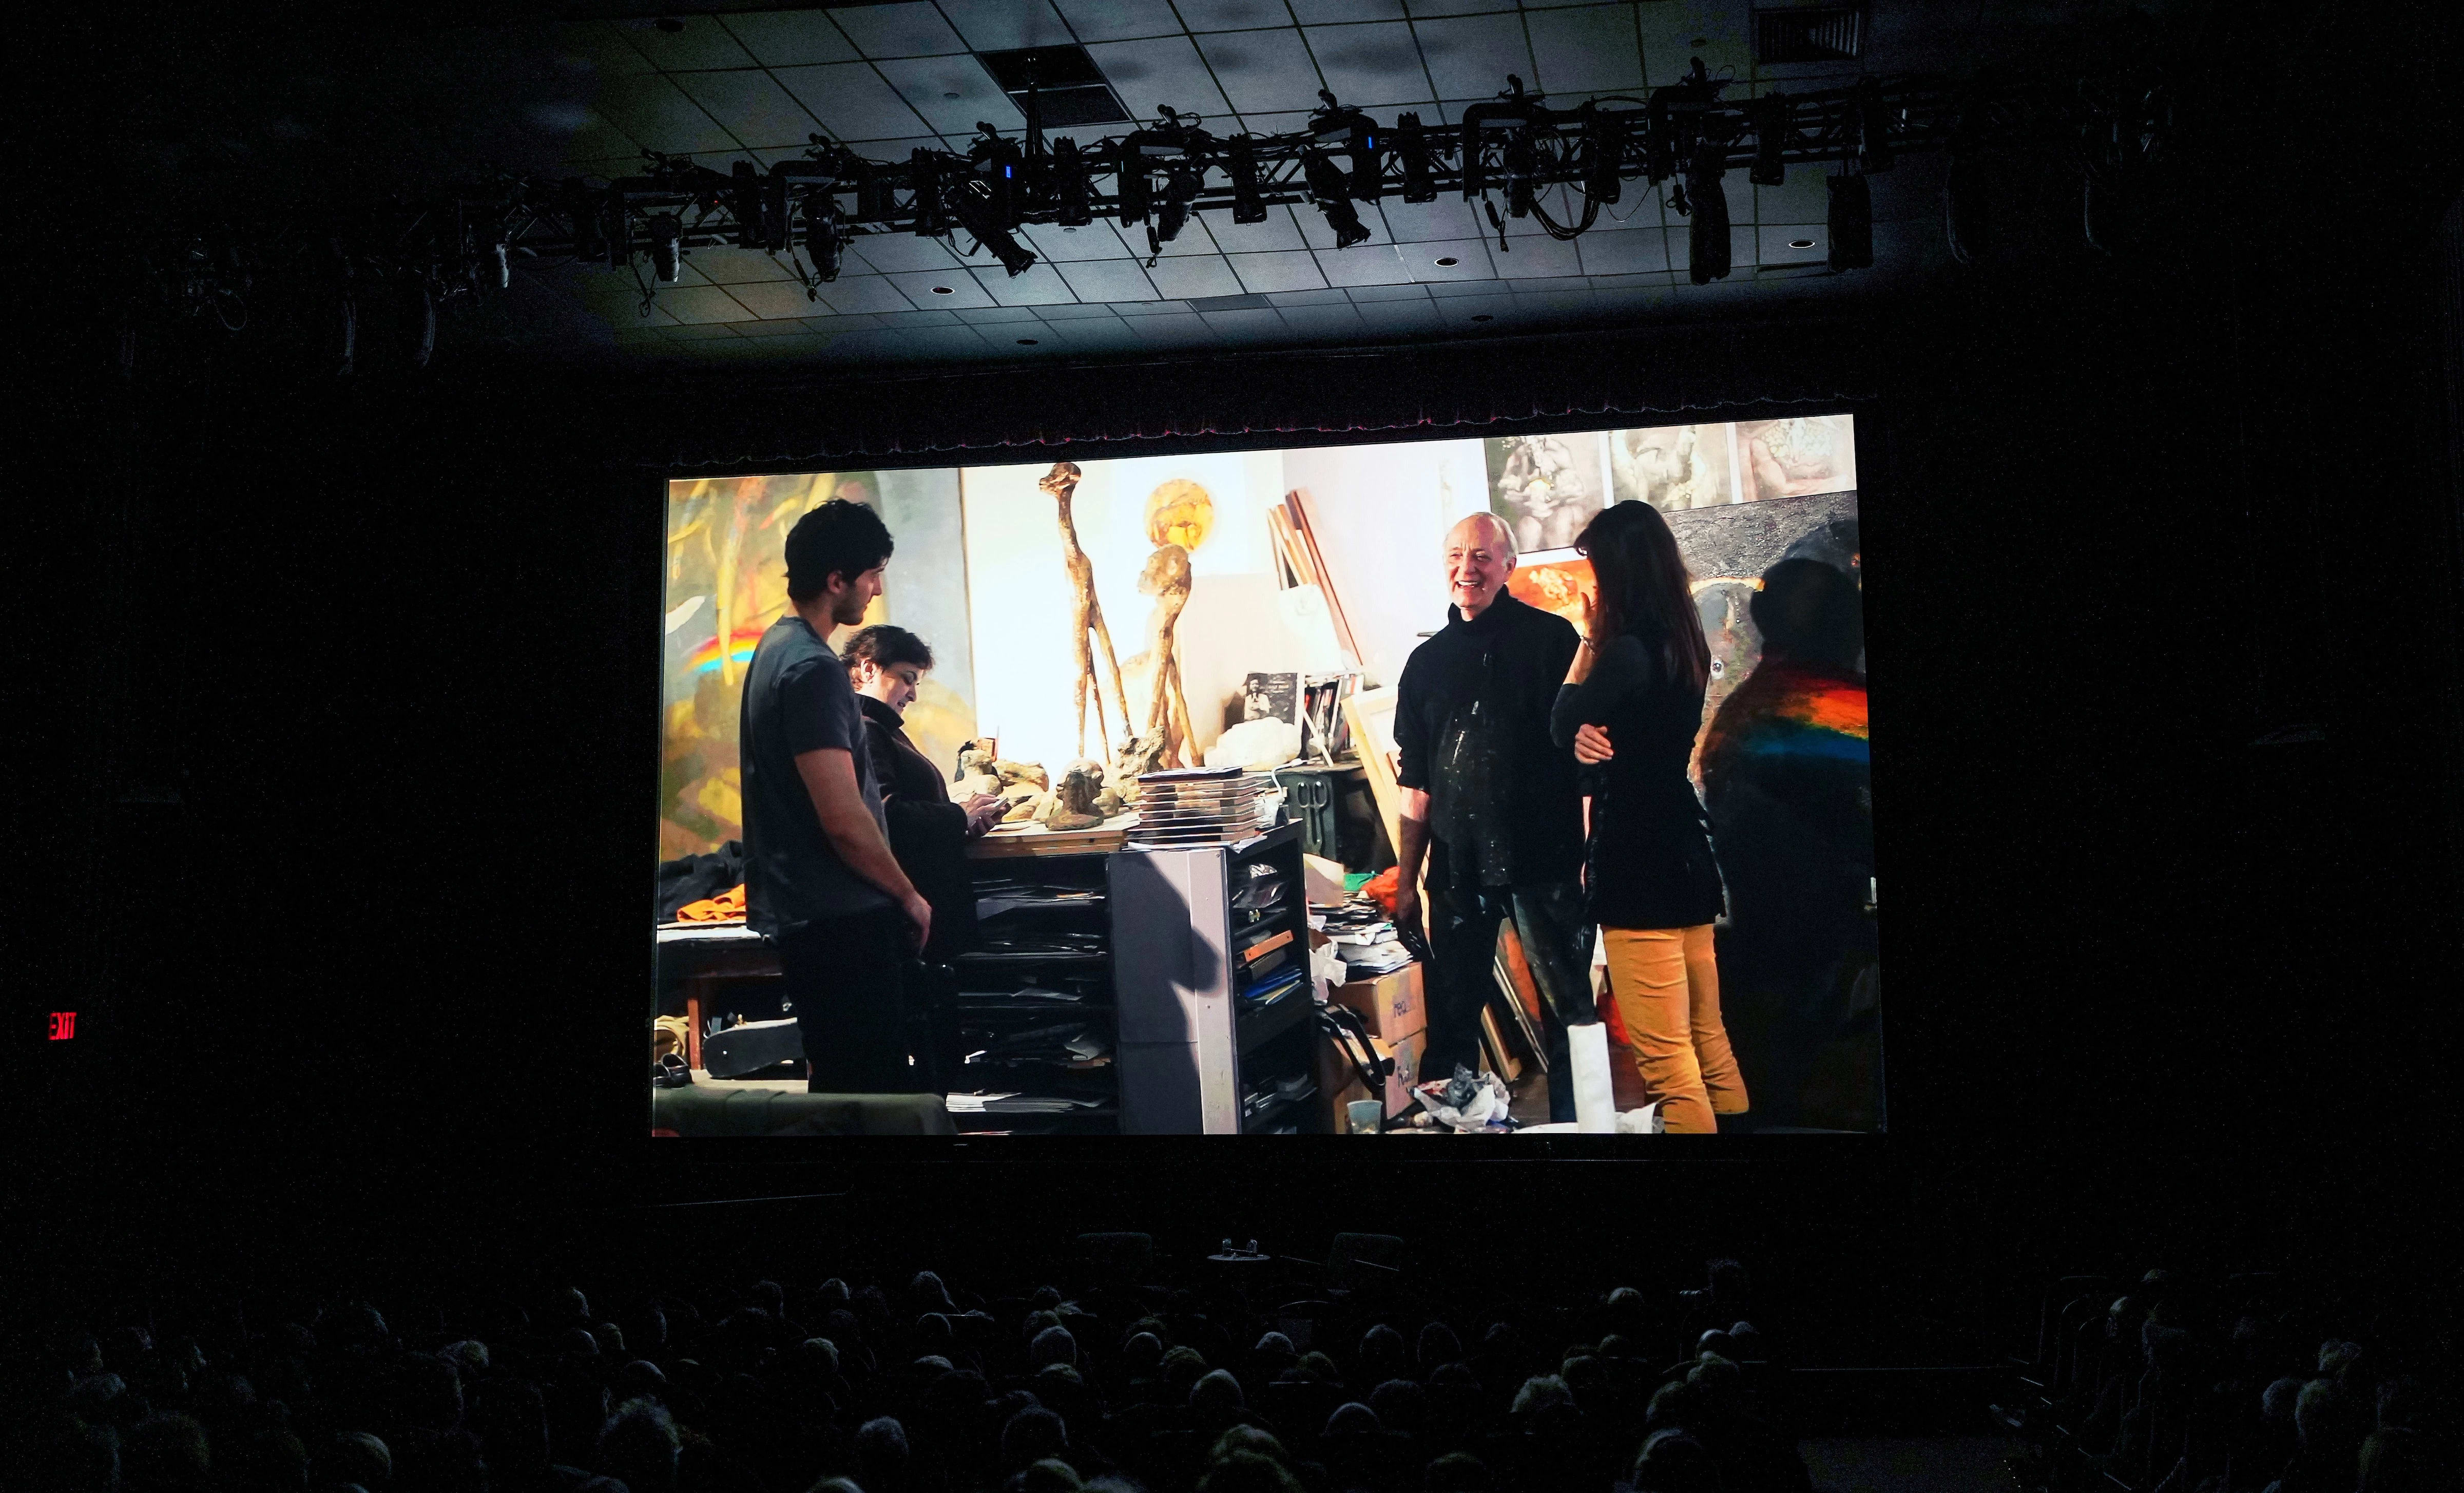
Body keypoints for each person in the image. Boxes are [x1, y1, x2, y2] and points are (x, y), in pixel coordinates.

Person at [1553, 501, 1748, 1134]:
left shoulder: (1628, 651)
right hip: (1683, 849)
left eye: (1601, 572)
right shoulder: (1681, 641)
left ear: (1622, 573)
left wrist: (1587, 642)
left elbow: (1561, 719)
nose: (1596, 587)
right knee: (1708, 1040)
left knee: (1668, 1064)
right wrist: (1589, 727)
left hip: (1638, 860)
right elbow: (1593, 729)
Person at [1392, 512, 1592, 1119]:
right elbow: (1416, 784)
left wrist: (1592, 854)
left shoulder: (1553, 641)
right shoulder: (1425, 664)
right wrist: (1406, 883)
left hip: (1547, 865)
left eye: (1481, 556)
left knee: (1569, 1020)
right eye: (1456, 554)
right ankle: (1453, 1131)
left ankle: (1582, 1136)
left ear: (1509, 565)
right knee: (1452, 1024)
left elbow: (1586, 763)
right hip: (1457, 873)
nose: (1467, 568)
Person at [739, 498, 934, 1094]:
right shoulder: (811, 668)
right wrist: (909, 895)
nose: (876, 587)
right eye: (873, 572)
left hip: (815, 918)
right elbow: (843, 816)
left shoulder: (778, 649)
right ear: (836, 580)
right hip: (838, 923)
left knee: (847, 1089)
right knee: (867, 1097)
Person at [844, 624, 1006, 964]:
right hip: (914, 913)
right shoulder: (866, 732)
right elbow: (889, 818)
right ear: (869, 668)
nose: (914, 694)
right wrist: (959, 815)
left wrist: (963, 828)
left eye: (916, 682)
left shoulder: (880, 729)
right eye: (907, 678)